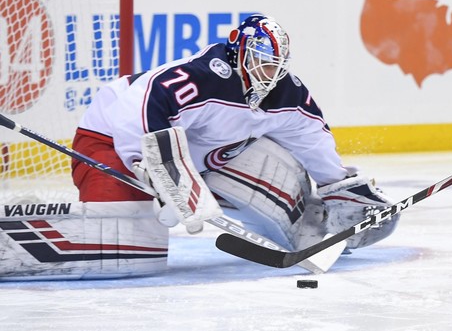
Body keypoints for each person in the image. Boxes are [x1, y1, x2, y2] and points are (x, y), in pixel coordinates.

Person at [57, 14, 398, 278]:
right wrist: (155, 172)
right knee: (122, 242)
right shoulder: (205, 75)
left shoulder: (288, 94)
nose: (268, 73)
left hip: (194, 156)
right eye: (260, 61)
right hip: (111, 135)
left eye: (275, 65)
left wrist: (336, 185)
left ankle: (305, 226)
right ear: (238, 52)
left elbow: (313, 139)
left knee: (269, 162)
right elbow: (141, 104)